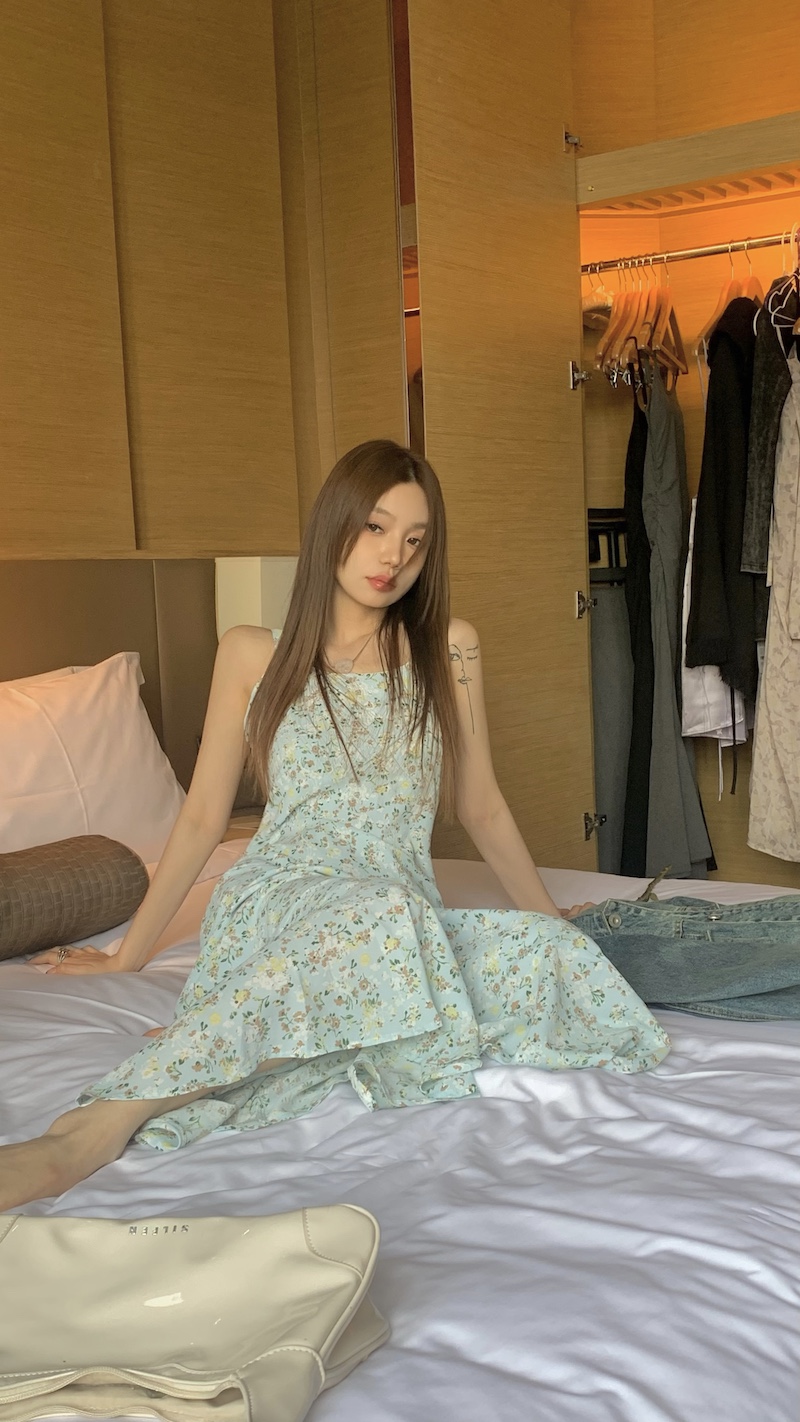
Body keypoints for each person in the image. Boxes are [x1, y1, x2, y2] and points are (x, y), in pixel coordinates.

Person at [0, 440, 670, 1212]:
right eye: (376, 528)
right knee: (380, 928)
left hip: (395, 908)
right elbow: (202, 818)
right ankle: (97, 1125)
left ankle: (247, 1036)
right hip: (283, 894)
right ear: (335, 525)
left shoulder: (449, 649)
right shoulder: (252, 652)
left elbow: (479, 804)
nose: (394, 558)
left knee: (554, 957)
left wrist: (548, 914)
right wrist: (128, 956)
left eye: (415, 541)